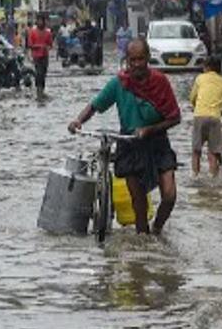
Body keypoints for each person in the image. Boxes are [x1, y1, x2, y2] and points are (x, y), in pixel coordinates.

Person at [68, 38, 179, 234]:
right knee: (138, 203)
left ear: (148, 59)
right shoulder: (119, 83)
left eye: (141, 59)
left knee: (169, 196)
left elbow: (175, 117)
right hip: (129, 145)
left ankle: (158, 229)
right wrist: (78, 121)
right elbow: (95, 105)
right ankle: (144, 243)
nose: (136, 64)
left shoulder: (160, 81)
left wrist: (150, 130)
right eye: (132, 60)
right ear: (126, 60)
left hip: (157, 143)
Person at [189, 56, 222, 176]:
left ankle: (195, 174)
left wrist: (195, 106)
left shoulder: (200, 78)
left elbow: (192, 97)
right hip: (215, 118)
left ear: (206, 67)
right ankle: (212, 176)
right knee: (213, 152)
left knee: (196, 151)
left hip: (199, 116)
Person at [27, 16, 54, 97]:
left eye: (41, 21)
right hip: (36, 56)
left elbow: (50, 44)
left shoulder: (48, 33)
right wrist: (39, 46)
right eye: (39, 21)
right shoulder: (33, 32)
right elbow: (30, 44)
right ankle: (38, 90)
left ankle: (42, 89)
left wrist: (47, 48)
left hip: (45, 55)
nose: (40, 23)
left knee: (44, 73)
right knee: (39, 73)